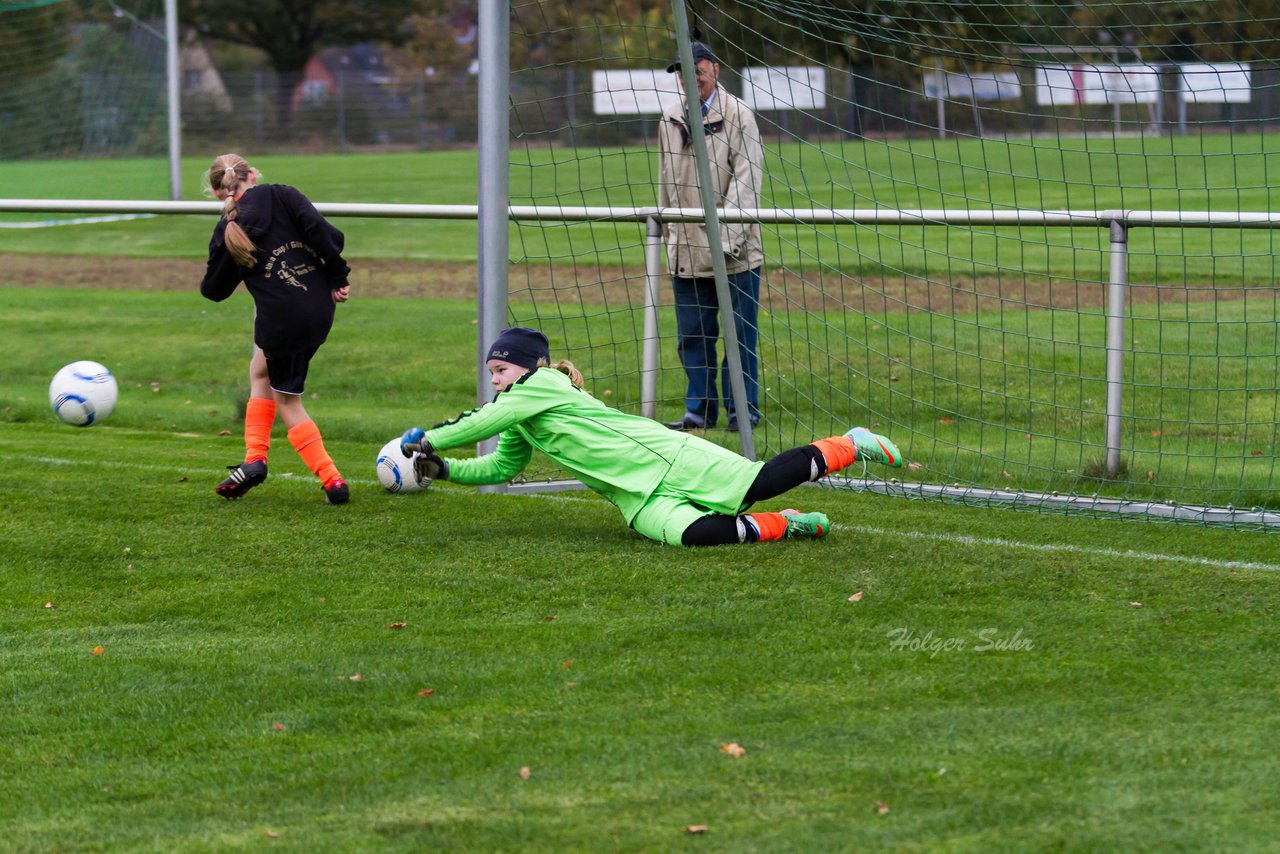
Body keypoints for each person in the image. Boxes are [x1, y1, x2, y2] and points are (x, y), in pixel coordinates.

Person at [399, 327, 902, 547]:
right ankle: (785, 525)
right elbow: (501, 467)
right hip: (636, 496)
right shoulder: (521, 414)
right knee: (693, 536)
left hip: (665, 456)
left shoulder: (541, 385)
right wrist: (446, 469)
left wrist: (434, 439)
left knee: (758, 482)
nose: (496, 378)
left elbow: (479, 421)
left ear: (529, 367)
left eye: (501, 368)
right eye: (490, 371)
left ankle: (851, 444)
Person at [199, 153, 351, 505]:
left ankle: (333, 481)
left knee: (287, 398)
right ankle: (254, 459)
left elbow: (214, 290)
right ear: (252, 174)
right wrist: (338, 276)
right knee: (260, 371)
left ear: (216, 190)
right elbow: (326, 235)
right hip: (319, 309)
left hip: (282, 321)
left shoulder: (228, 229)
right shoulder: (283, 194)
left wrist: (236, 259)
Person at [658, 40, 765, 433]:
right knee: (692, 337)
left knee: (739, 337)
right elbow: (666, 180)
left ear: (714, 70)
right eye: (685, 73)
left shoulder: (740, 116)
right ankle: (698, 412)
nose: (692, 80)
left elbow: (747, 183)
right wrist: (668, 231)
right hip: (685, 251)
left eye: (698, 71)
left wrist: (727, 241)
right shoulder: (669, 117)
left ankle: (743, 410)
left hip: (736, 254)